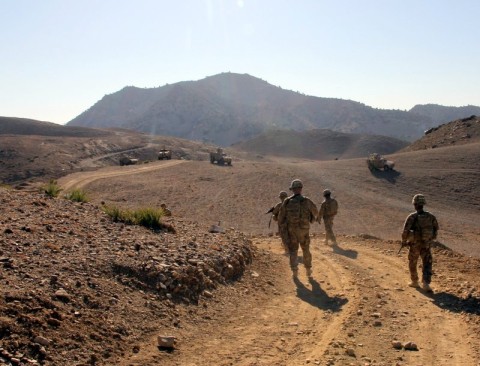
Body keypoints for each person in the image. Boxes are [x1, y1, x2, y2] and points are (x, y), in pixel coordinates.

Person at [278, 179, 318, 278]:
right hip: (304, 230)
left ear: (292, 189)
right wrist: (311, 220)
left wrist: (284, 229)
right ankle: (308, 270)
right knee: (306, 250)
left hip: (292, 232)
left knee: (293, 251)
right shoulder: (307, 201)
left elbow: (280, 218)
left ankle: (295, 271)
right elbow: (316, 213)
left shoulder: (287, 202)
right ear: (301, 188)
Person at [401, 194, 439, 292]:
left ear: (415, 204)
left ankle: (415, 282)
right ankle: (426, 283)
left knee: (413, 262)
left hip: (415, 244)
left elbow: (405, 231)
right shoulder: (431, 216)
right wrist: (430, 240)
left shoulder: (412, 217)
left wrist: (404, 241)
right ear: (423, 204)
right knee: (427, 263)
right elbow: (436, 229)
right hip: (426, 244)